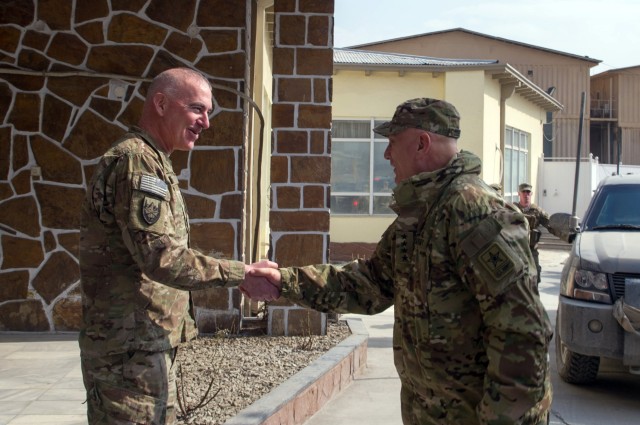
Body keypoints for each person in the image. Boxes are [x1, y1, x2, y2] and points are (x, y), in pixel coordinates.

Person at [244, 98, 553, 424]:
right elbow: (369, 284)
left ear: (422, 143)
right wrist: (286, 283)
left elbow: (522, 335)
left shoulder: (473, 211)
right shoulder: (421, 215)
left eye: (393, 143)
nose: (386, 155)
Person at [78, 67, 278, 425]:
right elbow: (161, 257)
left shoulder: (154, 161)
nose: (206, 122)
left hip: (143, 344)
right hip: (127, 353)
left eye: (208, 113)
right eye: (197, 109)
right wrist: (240, 273)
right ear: (160, 103)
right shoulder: (136, 162)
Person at [514, 182, 552, 284]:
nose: (526, 195)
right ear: (519, 193)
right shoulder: (513, 209)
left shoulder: (537, 211)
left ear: (531, 194)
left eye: (528, 192)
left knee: (535, 276)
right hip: (516, 250)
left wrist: (568, 234)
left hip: (531, 251)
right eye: (524, 192)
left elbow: (551, 225)